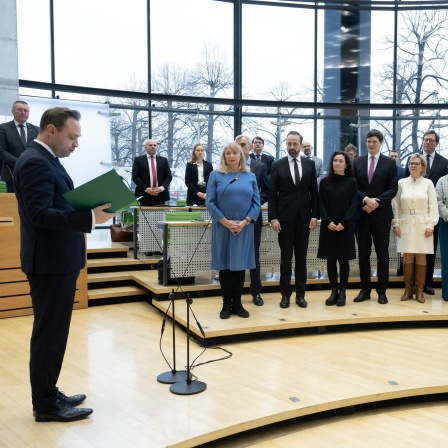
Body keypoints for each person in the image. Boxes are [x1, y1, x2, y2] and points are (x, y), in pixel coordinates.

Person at [13, 107, 115, 422]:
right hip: (49, 262)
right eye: (72, 137)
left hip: (57, 260)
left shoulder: (47, 160)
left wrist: (88, 206)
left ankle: (48, 390)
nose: (76, 144)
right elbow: (40, 214)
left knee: (54, 333)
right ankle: (45, 404)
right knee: (49, 335)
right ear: (51, 130)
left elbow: (56, 204)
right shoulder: (33, 162)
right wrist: (90, 217)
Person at [206, 142, 260, 319]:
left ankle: (237, 303)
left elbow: (256, 204)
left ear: (241, 156)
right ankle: (226, 305)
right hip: (223, 228)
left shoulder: (250, 176)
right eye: (228, 153)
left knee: (239, 267)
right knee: (226, 267)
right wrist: (226, 222)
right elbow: (210, 202)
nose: (231, 156)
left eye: (235, 153)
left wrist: (244, 222)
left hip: (244, 229)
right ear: (224, 157)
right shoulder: (216, 175)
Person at [268, 130, 319, 309]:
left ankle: (300, 295)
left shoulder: (310, 164)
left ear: (300, 144)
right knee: (285, 258)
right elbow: (272, 194)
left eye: (294, 144)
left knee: (302, 259)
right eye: (289, 144)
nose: (291, 147)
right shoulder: (277, 165)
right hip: (284, 219)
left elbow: (314, 192)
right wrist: (273, 218)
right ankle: (285, 295)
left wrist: (314, 215)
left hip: (305, 218)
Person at [353, 129, 398, 305]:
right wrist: (365, 200)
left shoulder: (389, 163)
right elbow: (353, 186)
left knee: (382, 254)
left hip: (381, 216)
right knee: (363, 254)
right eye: (368, 141)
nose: (371, 144)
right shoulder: (357, 162)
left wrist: (376, 202)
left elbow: (393, 188)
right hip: (362, 215)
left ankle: (382, 291)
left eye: (374, 142)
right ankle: (365, 290)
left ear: (381, 143)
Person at [403, 130, 448, 295]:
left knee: (428, 251)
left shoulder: (444, 162)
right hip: (410, 215)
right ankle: (410, 286)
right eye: (425, 140)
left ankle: (426, 284)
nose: (427, 142)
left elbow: (443, 188)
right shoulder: (412, 160)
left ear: (436, 143)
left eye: (431, 140)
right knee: (409, 252)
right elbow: (403, 185)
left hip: (430, 215)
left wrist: (434, 217)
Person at [393, 154, 438, 303]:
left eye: (417, 163)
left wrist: (431, 224)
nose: (413, 166)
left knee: (421, 256)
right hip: (405, 222)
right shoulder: (401, 183)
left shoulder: (428, 183)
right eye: (411, 163)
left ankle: (419, 291)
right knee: (407, 256)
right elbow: (397, 205)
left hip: (423, 223)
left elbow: (433, 205)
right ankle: (407, 290)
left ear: (422, 167)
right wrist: (396, 223)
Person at [318, 151, 357, 307]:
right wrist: (327, 221)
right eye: (335, 160)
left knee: (344, 259)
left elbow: (353, 204)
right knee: (331, 259)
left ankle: (343, 292)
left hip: (344, 227)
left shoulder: (352, 182)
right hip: (329, 226)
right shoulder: (324, 182)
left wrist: (344, 223)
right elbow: (320, 203)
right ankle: (333, 291)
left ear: (346, 164)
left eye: (341, 161)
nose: (337, 163)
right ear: (331, 163)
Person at [236, 135, 269, 306]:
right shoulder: (230, 167)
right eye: (238, 145)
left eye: (243, 145)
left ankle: (256, 292)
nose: (240, 148)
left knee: (254, 254)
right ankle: (235, 292)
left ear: (249, 147)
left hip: (254, 216)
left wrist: (255, 204)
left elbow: (267, 191)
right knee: (237, 253)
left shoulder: (260, 166)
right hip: (234, 217)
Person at [0, 100, 39, 193]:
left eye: (26, 110)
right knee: (14, 204)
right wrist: (20, 162)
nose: (23, 113)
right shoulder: (3, 128)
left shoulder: (37, 129)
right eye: (20, 110)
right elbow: (1, 150)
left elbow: (40, 150)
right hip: (12, 172)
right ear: (12, 111)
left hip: (33, 174)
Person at [132, 139, 172, 206]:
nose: (153, 146)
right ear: (145, 147)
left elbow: (169, 176)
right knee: (145, 216)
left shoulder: (163, 160)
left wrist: (161, 188)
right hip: (144, 195)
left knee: (160, 216)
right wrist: (147, 189)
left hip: (160, 195)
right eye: (150, 145)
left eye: (155, 145)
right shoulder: (138, 160)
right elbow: (135, 177)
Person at [436, 173, 448, 301]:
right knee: (446, 258)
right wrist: (446, 214)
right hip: (446, 222)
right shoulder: (442, 180)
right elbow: (437, 199)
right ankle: (447, 293)